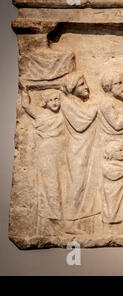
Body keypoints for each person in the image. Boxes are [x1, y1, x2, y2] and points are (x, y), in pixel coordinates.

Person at [21, 88, 68, 233]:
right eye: (51, 100)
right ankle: (51, 220)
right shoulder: (40, 114)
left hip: (60, 154)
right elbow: (26, 106)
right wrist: (24, 92)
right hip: (46, 153)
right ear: (45, 102)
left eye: (57, 99)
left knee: (61, 186)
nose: (55, 102)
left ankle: (59, 219)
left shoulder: (63, 115)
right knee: (50, 185)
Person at [60, 71, 100, 234]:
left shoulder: (80, 104)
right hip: (78, 150)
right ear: (71, 88)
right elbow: (79, 124)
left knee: (87, 186)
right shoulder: (67, 103)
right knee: (76, 185)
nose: (87, 87)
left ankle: (84, 221)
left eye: (85, 83)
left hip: (89, 149)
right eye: (81, 84)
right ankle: (68, 223)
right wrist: (94, 109)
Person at [102, 141, 123, 232]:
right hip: (111, 191)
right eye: (120, 151)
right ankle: (107, 227)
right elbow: (113, 175)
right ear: (112, 153)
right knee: (110, 209)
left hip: (122, 189)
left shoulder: (122, 165)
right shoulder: (106, 166)